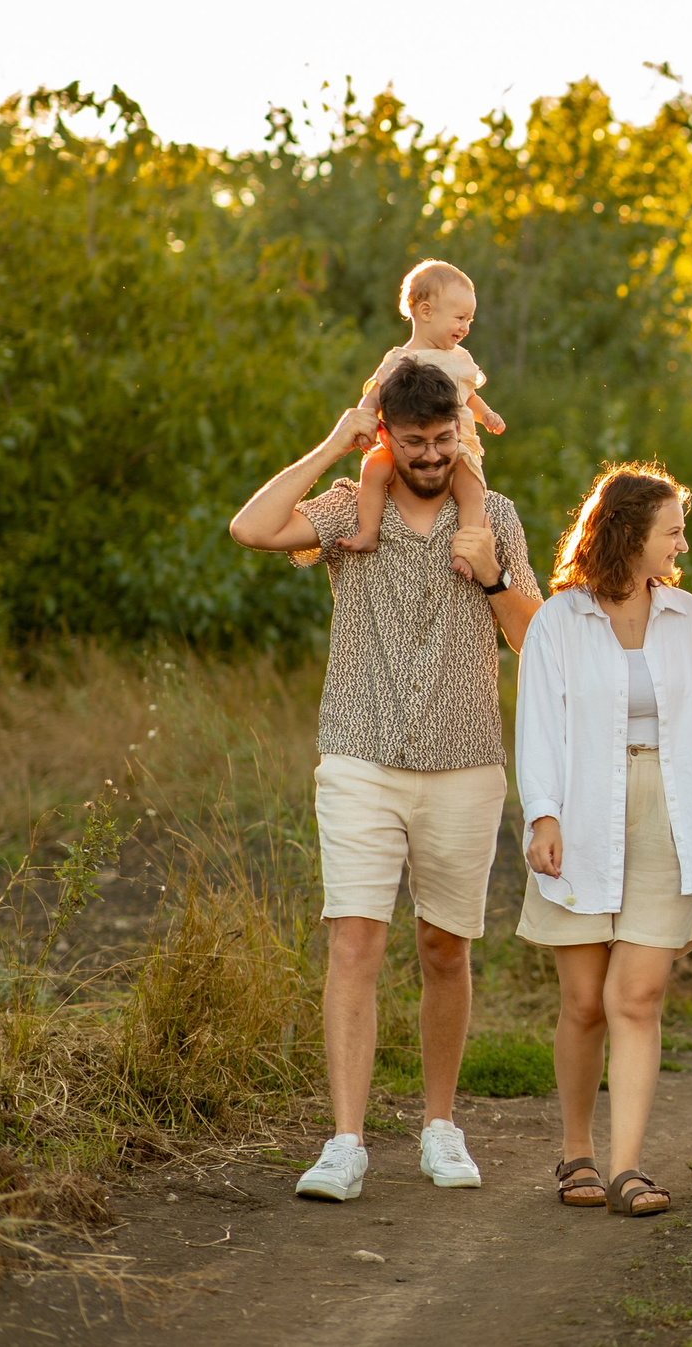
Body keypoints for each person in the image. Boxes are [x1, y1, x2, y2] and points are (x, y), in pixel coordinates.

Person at [226, 358, 541, 1204]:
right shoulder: (348, 509)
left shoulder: (496, 518)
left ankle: (440, 1124)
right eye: (416, 441)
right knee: (354, 942)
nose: (432, 455)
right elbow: (251, 529)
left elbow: (535, 644)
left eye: (445, 440)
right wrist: (337, 439)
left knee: (445, 947)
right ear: (390, 436)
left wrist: (495, 574)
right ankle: (346, 1141)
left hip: (465, 761)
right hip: (359, 753)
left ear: (460, 437)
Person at [515, 463, 692, 1217]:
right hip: (579, 814)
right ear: (631, 532)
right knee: (584, 1001)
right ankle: (576, 1150)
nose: (681, 542)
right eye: (671, 529)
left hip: (668, 813)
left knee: (636, 995)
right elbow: (538, 721)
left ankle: (629, 1166)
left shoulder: (690, 619)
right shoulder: (559, 620)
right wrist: (542, 812)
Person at [341, 260, 508, 556]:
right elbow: (375, 397)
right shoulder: (399, 360)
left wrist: (487, 415)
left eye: (469, 320)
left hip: (454, 448)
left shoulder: (459, 359)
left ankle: (469, 550)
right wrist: (365, 422)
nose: (465, 327)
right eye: (460, 318)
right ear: (427, 312)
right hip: (405, 448)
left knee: (471, 490)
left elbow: (468, 397)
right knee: (373, 469)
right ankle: (369, 532)